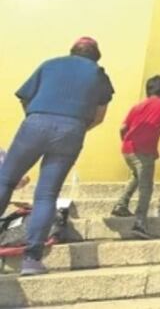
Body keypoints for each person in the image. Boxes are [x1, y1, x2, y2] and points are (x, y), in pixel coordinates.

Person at [0, 37, 114, 276]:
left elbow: (24, 96)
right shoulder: (99, 75)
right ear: (96, 56)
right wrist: (76, 126)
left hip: (36, 122)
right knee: (46, 195)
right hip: (72, 131)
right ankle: (31, 260)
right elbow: (99, 116)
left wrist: (36, 116)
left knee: (6, 180)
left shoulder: (50, 64)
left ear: (72, 51)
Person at [111, 75, 160, 239]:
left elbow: (122, 128)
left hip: (128, 149)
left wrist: (126, 142)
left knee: (136, 176)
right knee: (146, 187)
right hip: (144, 152)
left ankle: (121, 204)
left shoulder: (137, 107)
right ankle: (139, 223)